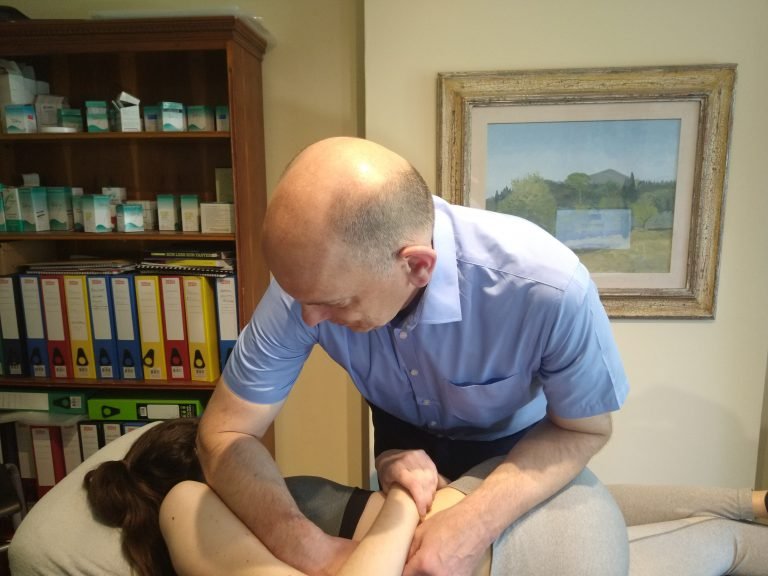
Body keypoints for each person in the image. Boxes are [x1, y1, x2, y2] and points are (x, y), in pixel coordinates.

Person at [196, 136, 631, 575]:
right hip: (398, 443)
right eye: (300, 298)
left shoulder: (549, 289)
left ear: (417, 266)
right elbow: (224, 433)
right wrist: (314, 551)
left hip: (514, 454)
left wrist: (476, 521)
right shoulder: (307, 288)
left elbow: (586, 430)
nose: (310, 320)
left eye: (336, 302)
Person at [85, 418, 768, 576]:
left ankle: (749, 499)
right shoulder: (188, 505)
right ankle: (746, 518)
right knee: (725, 545)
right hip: (451, 545)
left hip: (457, 520)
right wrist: (406, 491)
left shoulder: (252, 498)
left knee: (593, 495)